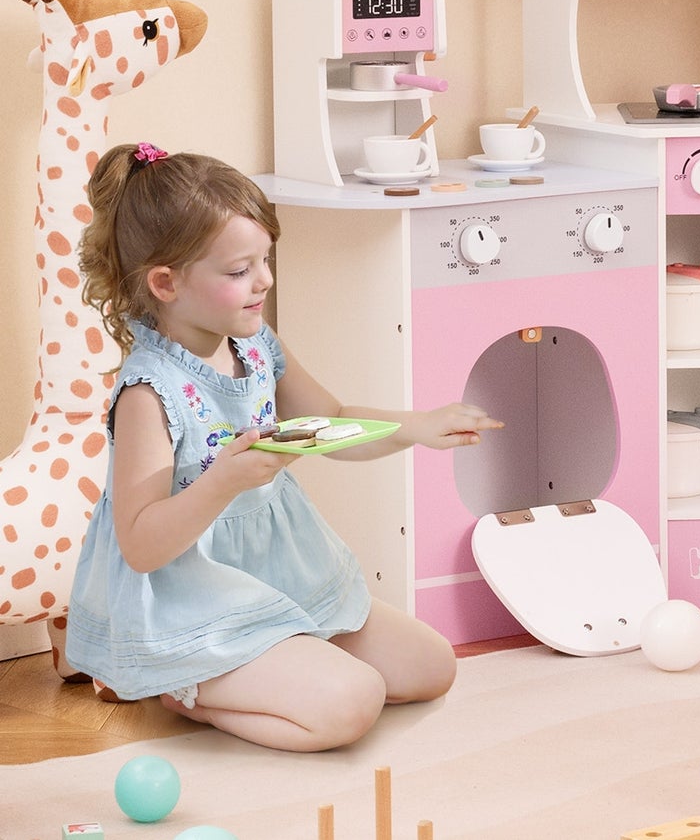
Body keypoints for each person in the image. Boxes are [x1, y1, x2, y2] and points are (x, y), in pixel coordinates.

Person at [63, 142, 503, 752]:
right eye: (239, 270)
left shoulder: (256, 343)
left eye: (266, 260)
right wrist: (223, 480)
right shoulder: (150, 390)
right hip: (193, 596)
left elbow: (333, 420)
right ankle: (182, 688)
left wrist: (415, 427)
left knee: (431, 667)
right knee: (351, 704)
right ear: (166, 282)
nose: (264, 281)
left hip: (281, 570)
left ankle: (284, 654)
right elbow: (140, 545)